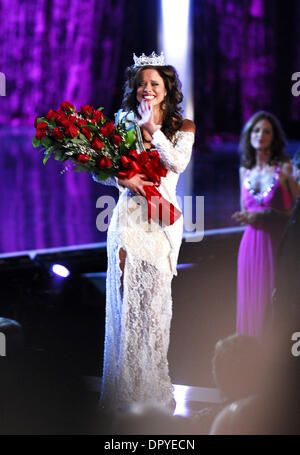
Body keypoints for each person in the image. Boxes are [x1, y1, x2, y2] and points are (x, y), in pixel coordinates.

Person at [93, 52, 195, 413]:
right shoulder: (122, 121)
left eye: (154, 84)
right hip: (127, 220)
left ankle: (153, 390)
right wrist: (123, 177)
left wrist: (151, 129)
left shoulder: (183, 127)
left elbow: (177, 163)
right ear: (134, 91)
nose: (147, 90)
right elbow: (100, 170)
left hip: (162, 221)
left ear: (167, 89)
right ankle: (126, 392)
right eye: (141, 85)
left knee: (153, 308)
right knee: (125, 301)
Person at [232, 111, 299, 340]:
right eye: (256, 130)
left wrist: (264, 215)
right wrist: (248, 218)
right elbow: (246, 210)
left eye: (266, 131)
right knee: (251, 303)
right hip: (250, 246)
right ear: (249, 135)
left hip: (278, 244)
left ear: (274, 137)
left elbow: (295, 212)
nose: (261, 135)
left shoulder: (285, 168)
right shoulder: (244, 171)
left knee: (274, 304)